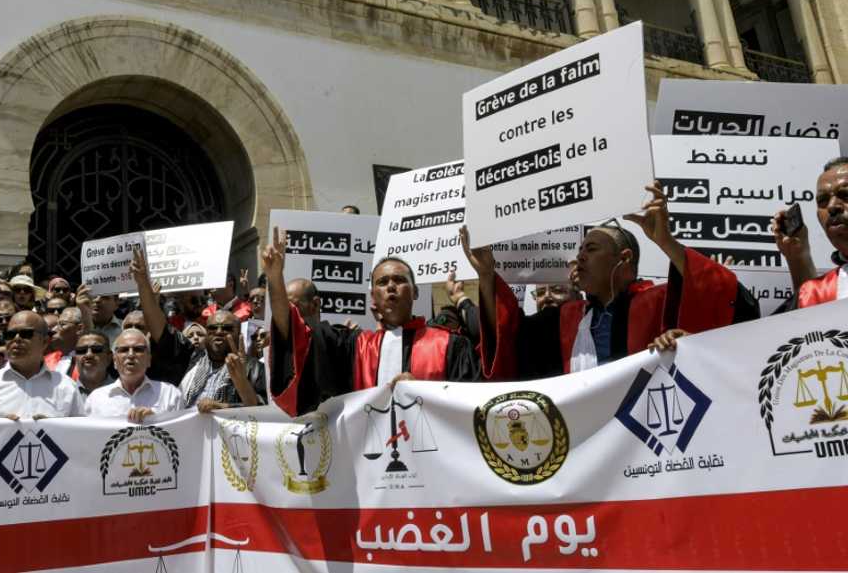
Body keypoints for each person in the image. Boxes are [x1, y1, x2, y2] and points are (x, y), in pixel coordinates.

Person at [462, 182, 759, 380]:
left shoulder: (660, 302)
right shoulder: (564, 319)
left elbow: (733, 308)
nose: (579, 259)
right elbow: (509, 346)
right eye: (579, 251)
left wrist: (667, 242)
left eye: (590, 249)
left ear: (624, 259)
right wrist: (488, 276)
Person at [265, 228, 477, 416]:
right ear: (373, 297)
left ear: (415, 292)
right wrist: (275, 281)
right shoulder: (352, 347)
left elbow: (471, 407)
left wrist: (425, 394)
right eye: (382, 282)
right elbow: (296, 338)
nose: (391, 286)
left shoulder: (450, 345)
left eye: (400, 280)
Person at [0, 311, 85, 419]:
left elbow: (79, 433)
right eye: (10, 334)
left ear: (44, 342)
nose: (17, 339)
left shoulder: (66, 386)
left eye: (26, 334)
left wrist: (53, 429)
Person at [770, 157, 848, 309]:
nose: (832, 207)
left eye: (845, 195)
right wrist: (798, 256)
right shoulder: (818, 292)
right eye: (822, 201)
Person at [84, 328, 183, 422]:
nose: (131, 355)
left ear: (149, 359)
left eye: (138, 349)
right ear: (114, 361)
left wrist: (156, 419)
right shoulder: (96, 400)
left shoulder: (170, 395)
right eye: (123, 350)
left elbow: (181, 433)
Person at [179, 310, 264, 410]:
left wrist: (223, 407)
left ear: (239, 334)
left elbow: (264, 408)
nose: (218, 332)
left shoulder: (255, 369)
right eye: (212, 328)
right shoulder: (190, 364)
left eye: (227, 328)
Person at [44, 306, 84, 377]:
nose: (53, 330)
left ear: (79, 329)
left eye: (62, 324)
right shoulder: (47, 360)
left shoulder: (89, 361)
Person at [73, 329, 114, 395]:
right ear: (75, 358)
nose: (88, 355)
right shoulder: (64, 392)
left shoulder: (123, 393)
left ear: (109, 357)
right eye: (81, 350)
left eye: (96, 349)